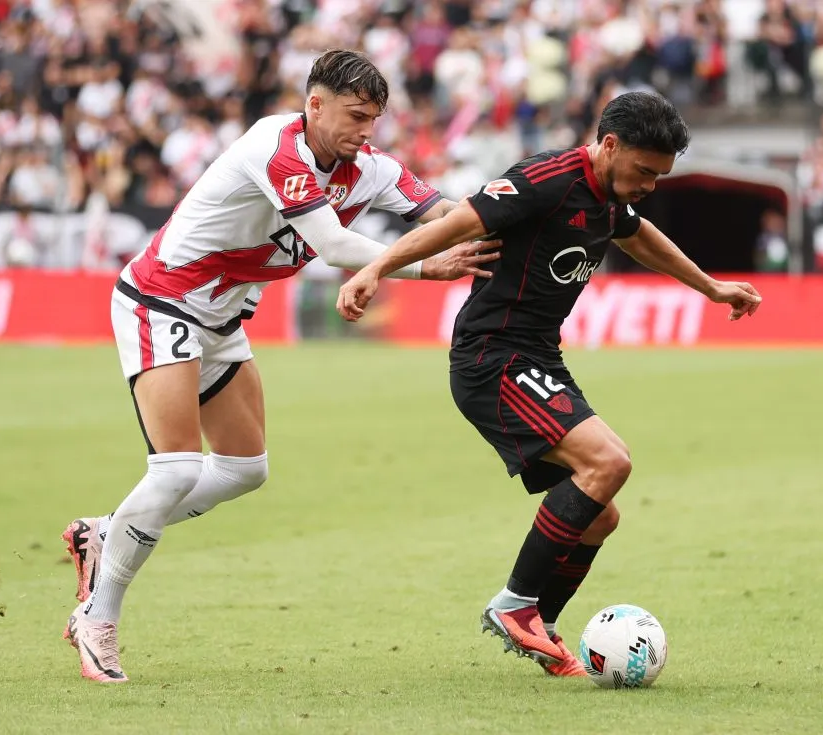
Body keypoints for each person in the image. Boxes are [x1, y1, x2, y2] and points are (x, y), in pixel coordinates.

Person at [61, 50, 499, 683]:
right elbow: (335, 246)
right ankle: (97, 618)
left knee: (244, 469)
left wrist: (516, 224)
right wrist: (425, 267)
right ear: (314, 105)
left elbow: (448, 215)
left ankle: (107, 532)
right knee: (177, 467)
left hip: (219, 321)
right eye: (354, 115)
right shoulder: (276, 147)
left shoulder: (369, 169)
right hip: (161, 303)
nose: (366, 131)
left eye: (373, 118)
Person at [336, 92, 762, 677]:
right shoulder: (546, 180)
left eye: (660, 177)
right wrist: (376, 268)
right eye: (643, 171)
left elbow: (637, 235)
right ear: (609, 146)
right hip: (492, 356)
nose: (649, 185)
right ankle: (515, 605)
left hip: (537, 356)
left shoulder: (612, 197)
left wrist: (711, 287)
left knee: (599, 515)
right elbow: (460, 219)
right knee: (609, 462)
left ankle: (544, 627)